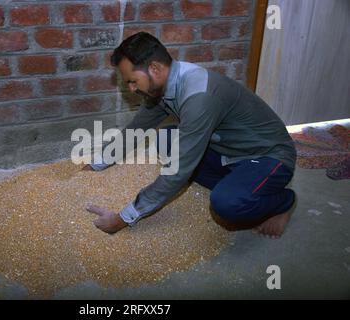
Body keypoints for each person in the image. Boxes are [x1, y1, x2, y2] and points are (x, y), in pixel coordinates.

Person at [83, 32, 297, 239]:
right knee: (166, 140)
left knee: (226, 204)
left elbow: (176, 172)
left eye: (132, 81)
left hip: (268, 156)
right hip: (227, 150)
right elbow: (137, 127)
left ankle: (284, 202)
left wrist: (122, 219)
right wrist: (98, 163)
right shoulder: (162, 87)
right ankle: (239, 184)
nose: (131, 89)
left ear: (155, 68)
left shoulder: (198, 97)